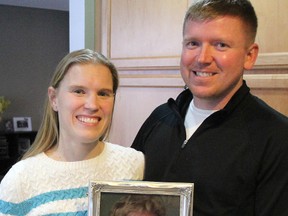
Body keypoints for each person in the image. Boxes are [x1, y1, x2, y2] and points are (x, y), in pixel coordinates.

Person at [131, 0, 288, 215]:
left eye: (220, 45)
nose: (202, 58)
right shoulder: (160, 118)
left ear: (249, 56)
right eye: (193, 43)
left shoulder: (277, 138)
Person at [0, 49, 144, 215]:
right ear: (54, 99)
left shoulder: (135, 165)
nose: (92, 105)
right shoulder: (20, 179)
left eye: (103, 93)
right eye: (79, 91)